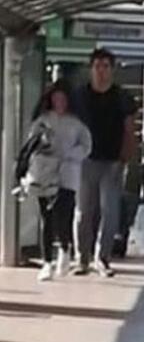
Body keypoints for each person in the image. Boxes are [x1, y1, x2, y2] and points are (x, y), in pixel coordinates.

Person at [72, 49, 138, 277]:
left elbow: (130, 129)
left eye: (106, 66)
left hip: (112, 162)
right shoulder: (79, 96)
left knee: (110, 211)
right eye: (97, 66)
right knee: (83, 211)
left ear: (112, 70)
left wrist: (125, 157)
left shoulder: (122, 98)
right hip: (85, 161)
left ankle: (103, 257)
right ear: (91, 69)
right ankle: (82, 258)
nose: (101, 71)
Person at [22, 81, 92, 281]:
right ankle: (47, 262)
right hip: (45, 174)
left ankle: (64, 248)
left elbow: (86, 146)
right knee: (47, 216)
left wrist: (70, 154)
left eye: (63, 99)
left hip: (68, 174)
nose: (59, 103)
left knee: (65, 214)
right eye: (56, 99)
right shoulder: (43, 120)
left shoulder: (77, 123)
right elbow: (31, 142)